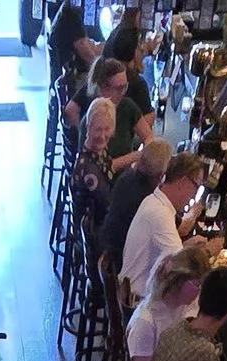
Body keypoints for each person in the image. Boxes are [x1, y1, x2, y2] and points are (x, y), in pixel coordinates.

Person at [123, 152, 205, 303]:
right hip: (138, 301)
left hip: (131, 291)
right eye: (196, 187)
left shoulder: (153, 200)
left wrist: (187, 246)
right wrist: (206, 252)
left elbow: (168, 256)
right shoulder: (161, 214)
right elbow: (182, 267)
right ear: (183, 182)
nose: (194, 196)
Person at [100, 138, 170, 279]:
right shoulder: (147, 199)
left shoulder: (127, 177)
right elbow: (178, 229)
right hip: (124, 265)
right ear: (161, 175)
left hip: (109, 248)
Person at [74, 96, 118, 228]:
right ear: (88, 127)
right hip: (94, 229)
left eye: (107, 129)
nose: (103, 136)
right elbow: (108, 206)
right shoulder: (88, 169)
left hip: (99, 218)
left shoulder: (99, 151)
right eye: (98, 129)